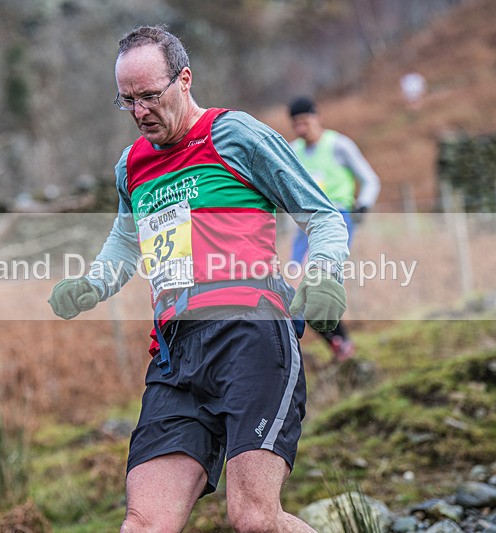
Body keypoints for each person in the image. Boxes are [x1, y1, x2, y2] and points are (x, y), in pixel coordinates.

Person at [48, 25, 348, 533]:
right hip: (174, 358)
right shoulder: (131, 166)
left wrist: (323, 277)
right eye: (127, 101)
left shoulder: (235, 135)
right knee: (145, 525)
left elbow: (323, 215)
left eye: (149, 96)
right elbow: (126, 242)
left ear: (184, 80)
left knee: (254, 519)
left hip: (249, 336)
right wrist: (92, 283)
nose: (140, 112)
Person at [288, 96, 381, 362]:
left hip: (336, 220)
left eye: (305, 122)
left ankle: (342, 344)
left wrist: (363, 204)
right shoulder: (292, 151)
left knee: (316, 281)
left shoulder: (339, 146)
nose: (302, 129)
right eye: (296, 125)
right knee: (295, 287)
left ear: (316, 117)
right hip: (304, 225)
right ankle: (339, 343)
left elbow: (370, 179)